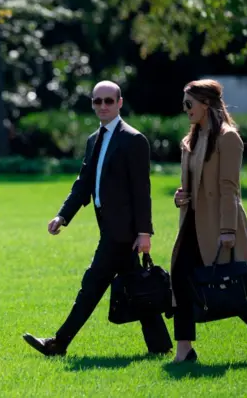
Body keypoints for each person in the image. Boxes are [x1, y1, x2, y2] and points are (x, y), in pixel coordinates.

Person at [22, 80, 173, 356]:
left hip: (123, 232)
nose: (102, 106)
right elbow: (83, 184)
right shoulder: (94, 140)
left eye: (108, 101)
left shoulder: (134, 140)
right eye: (97, 101)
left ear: (120, 103)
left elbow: (142, 191)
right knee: (137, 284)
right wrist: (62, 216)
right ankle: (161, 347)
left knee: (91, 285)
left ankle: (59, 343)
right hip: (109, 229)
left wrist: (144, 233)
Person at [171, 79, 247, 362]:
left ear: (207, 104)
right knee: (179, 279)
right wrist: (180, 196)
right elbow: (191, 183)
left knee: (232, 289)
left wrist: (228, 231)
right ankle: (184, 350)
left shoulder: (228, 138)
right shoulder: (191, 140)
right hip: (191, 224)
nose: (185, 109)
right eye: (184, 103)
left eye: (189, 103)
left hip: (218, 225)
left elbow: (229, 188)